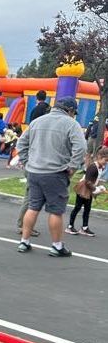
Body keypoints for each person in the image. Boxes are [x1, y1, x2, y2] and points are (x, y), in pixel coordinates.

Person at [16, 97, 86, 257]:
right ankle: (56, 246)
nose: (74, 115)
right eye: (74, 113)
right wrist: (73, 167)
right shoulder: (71, 124)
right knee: (56, 210)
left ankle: (24, 241)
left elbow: (21, 144)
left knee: (33, 207)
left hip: (34, 171)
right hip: (55, 172)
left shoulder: (37, 121)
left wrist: (27, 162)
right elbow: (81, 147)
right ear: (69, 110)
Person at [15, 92, 53, 231]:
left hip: (33, 160)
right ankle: (24, 225)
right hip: (35, 162)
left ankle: (24, 224)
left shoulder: (35, 115)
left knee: (31, 196)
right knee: (32, 197)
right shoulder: (46, 115)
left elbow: (24, 141)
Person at [66, 147, 108, 237]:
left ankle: (84, 228)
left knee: (87, 209)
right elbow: (87, 181)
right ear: (99, 157)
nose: (106, 162)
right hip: (83, 190)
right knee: (77, 207)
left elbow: (95, 179)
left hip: (88, 190)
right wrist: (95, 189)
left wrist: (100, 187)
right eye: (105, 160)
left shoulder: (101, 167)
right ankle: (70, 226)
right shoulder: (93, 167)